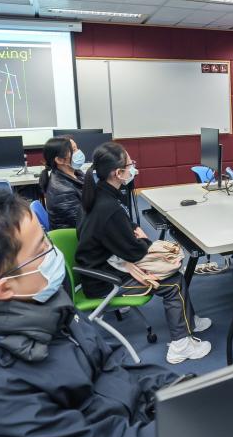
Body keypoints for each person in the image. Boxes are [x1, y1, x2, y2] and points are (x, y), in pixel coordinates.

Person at [0, 189, 180, 437]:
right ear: (4, 288)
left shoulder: (40, 306)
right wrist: (191, 430)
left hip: (132, 428)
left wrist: (180, 391)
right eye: (42, 249)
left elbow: (112, 363)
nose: (55, 254)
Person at [76, 141, 212, 364]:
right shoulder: (107, 207)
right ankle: (181, 346)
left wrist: (134, 235)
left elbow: (125, 233)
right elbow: (136, 251)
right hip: (104, 280)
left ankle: (189, 321)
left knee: (173, 275)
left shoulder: (100, 194)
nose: (133, 168)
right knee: (174, 282)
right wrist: (142, 239)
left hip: (104, 265)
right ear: (118, 173)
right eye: (130, 165)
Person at [38, 136, 85, 229]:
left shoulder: (76, 173)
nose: (79, 153)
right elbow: (83, 224)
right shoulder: (62, 192)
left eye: (77, 148)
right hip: (75, 237)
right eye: (74, 150)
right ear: (59, 160)